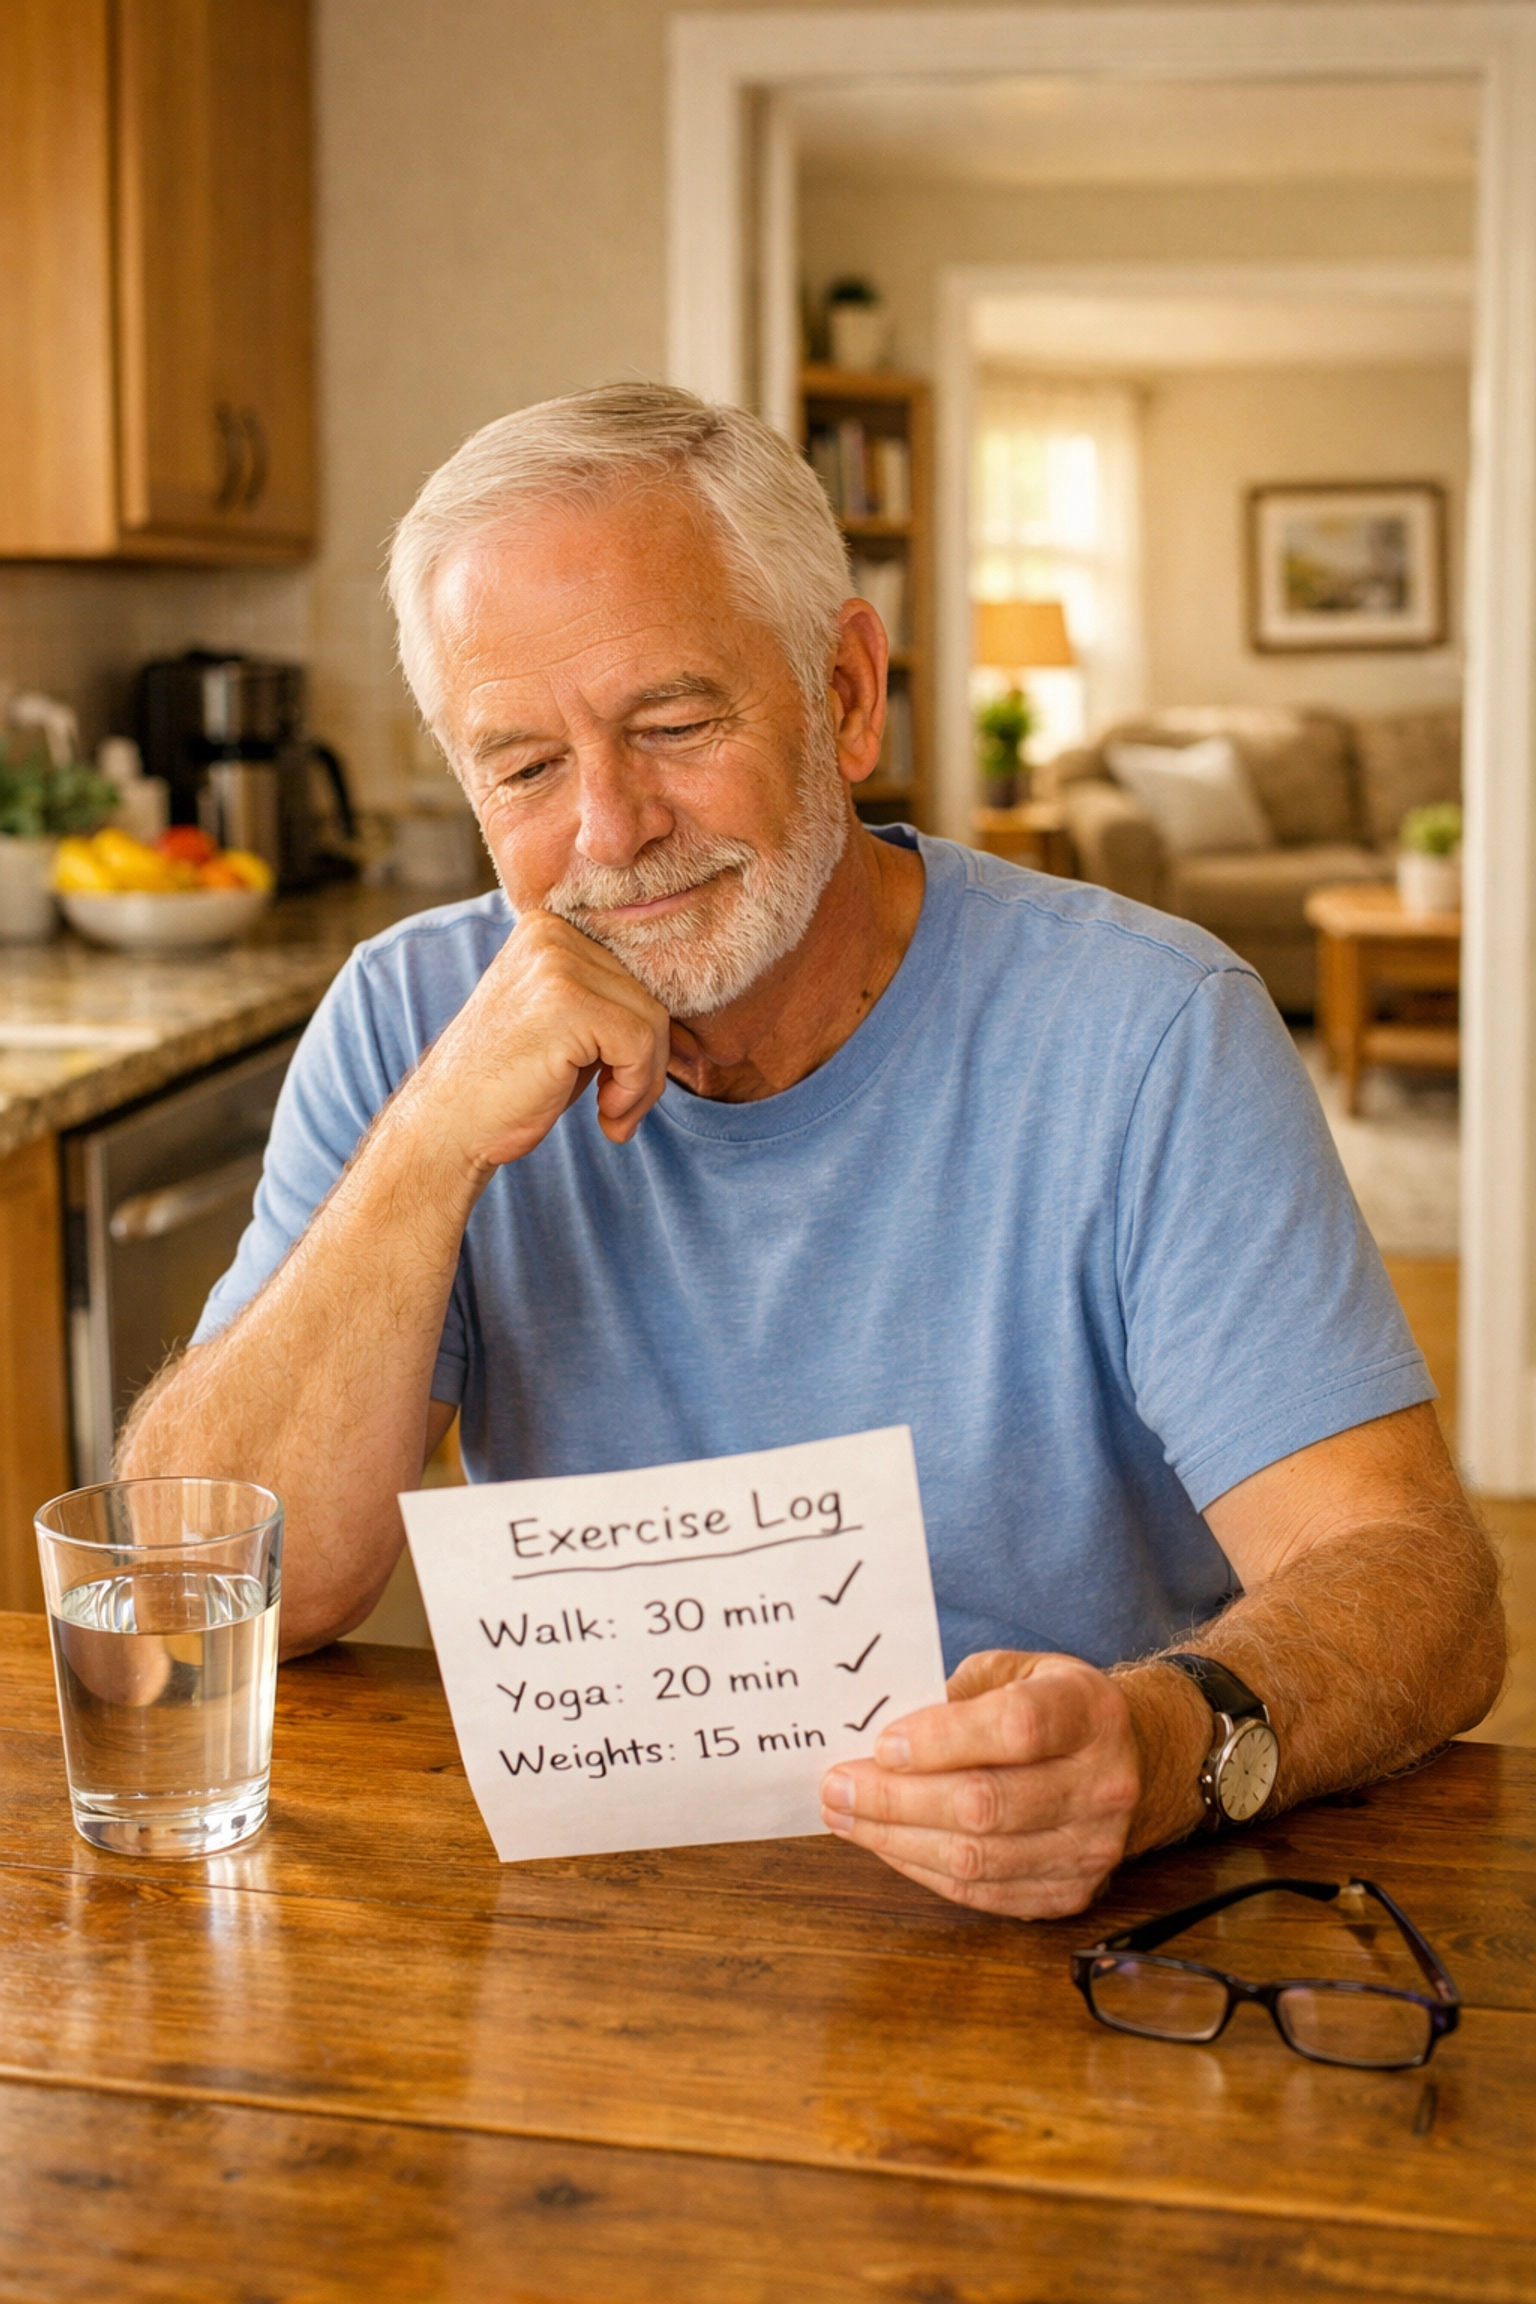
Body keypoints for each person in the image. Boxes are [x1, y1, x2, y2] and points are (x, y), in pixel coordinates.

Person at [121, 384, 1504, 1919]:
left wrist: (1166, 1743)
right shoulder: (408, 1019)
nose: (611, 831)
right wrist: (428, 1147)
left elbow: (1419, 1587)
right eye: (523, 768)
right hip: (608, 1909)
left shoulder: (1151, 1029)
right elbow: (214, 1599)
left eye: (675, 723)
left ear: (849, 695)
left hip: (1077, 1914)